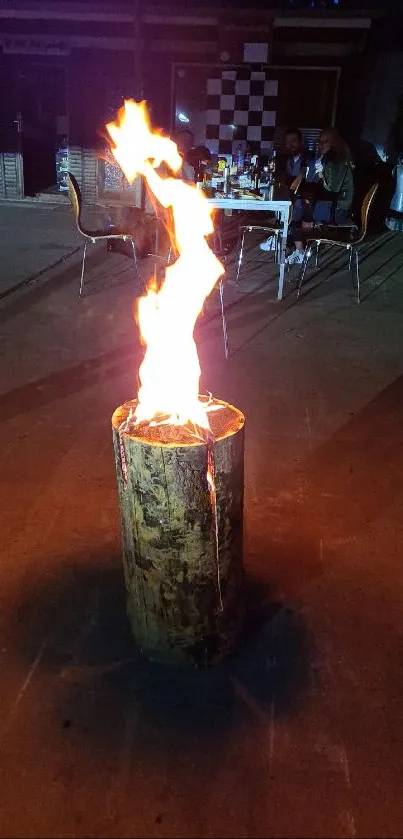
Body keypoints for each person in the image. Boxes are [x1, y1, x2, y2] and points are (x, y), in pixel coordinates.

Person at [286, 127, 355, 265]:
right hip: (327, 204)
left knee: (295, 212)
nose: (321, 144)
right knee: (295, 208)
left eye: (326, 141)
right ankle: (295, 248)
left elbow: (332, 189)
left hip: (337, 210)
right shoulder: (324, 159)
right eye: (319, 141)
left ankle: (298, 250)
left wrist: (309, 199)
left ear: (334, 143)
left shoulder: (336, 161)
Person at [260, 128, 314, 252]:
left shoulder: (308, 160)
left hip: (305, 204)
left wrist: (308, 216)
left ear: (301, 142)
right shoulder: (289, 160)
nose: (290, 145)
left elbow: (307, 187)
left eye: (293, 141)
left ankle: (283, 242)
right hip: (293, 200)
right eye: (287, 142)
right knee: (279, 203)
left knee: (287, 209)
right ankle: (280, 238)